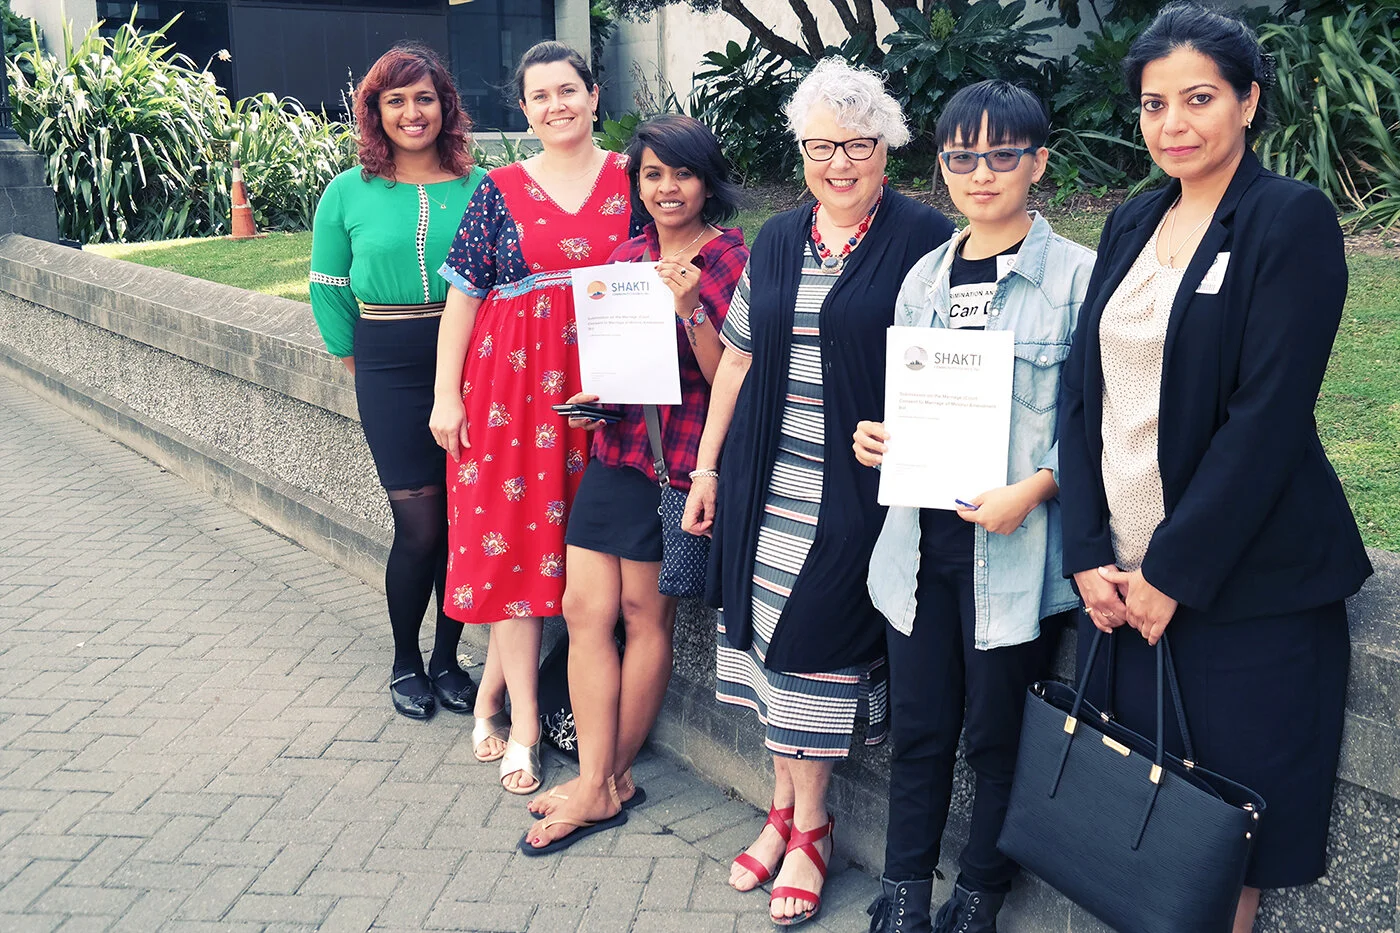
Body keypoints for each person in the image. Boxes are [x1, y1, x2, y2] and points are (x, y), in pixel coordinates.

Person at [1057, 5, 1373, 930]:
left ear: (1248, 102)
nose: (1174, 124)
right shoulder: (1131, 219)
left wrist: (1174, 571)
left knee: (1221, 838)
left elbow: (1266, 418)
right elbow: (1086, 395)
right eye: (1154, 105)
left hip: (1242, 589)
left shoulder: (1289, 219)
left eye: (1199, 99)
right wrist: (1087, 549)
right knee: (1141, 830)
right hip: (1120, 581)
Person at [682, 58, 955, 926]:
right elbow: (739, 359)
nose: (839, 161)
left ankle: (813, 827)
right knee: (767, 645)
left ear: (888, 149)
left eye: (858, 143)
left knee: (811, 647)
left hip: (857, 486)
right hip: (768, 474)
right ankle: (786, 814)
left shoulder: (922, 237)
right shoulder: (776, 237)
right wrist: (707, 469)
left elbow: (952, 369)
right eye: (820, 145)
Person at [855, 80, 1094, 933]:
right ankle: (904, 890)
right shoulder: (925, 275)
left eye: (1002, 155)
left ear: (1038, 161)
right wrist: (876, 439)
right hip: (919, 554)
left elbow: (1094, 421)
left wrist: (1035, 488)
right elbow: (907, 402)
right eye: (962, 157)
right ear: (943, 166)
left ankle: (981, 893)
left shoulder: (1075, 279)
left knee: (997, 735)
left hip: (1015, 559)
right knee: (919, 732)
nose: (981, 173)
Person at [519, 114, 749, 854]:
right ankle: (601, 777)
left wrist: (690, 314)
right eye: (652, 174)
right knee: (583, 607)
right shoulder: (627, 255)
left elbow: (727, 382)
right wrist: (594, 403)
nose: (667, 187)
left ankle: (605, 780)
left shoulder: (731, 260)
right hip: (618, 452)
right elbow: (619, 365)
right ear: (637, 183)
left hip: (679, 460)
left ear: (706, 180)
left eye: (681, 173)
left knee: (646, 616)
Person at [429, 41, 637, 796]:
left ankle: (494, 692)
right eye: (539, 96)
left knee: (584, 564)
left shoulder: (632, 176)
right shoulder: (499, 188)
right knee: (517, 553)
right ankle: (522, 725)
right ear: (524, 110)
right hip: (514, 395)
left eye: (568, 90)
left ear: (592, 94)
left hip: (609, 399)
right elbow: (464, 296)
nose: (556, 106)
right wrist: (446, 394)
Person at [309, 44, 486, 722]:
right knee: (418, 527)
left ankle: (449, 658)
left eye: (424, 98)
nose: (412, 113)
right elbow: (327, 287)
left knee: (463, 521)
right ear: (376, 112)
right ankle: (405, 660)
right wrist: (359, 364)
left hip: (470, 358)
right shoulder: (348, 190)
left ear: (445, 106)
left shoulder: (480, 185)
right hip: (386, 361)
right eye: (396, 100)